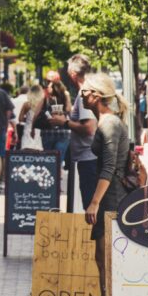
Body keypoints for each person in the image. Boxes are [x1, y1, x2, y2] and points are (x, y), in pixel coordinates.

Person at [79, 73, 133, 296]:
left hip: (113, 198)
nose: (81, 94)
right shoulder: (107, 121)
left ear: (96, 96)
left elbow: (110, 167)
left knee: (107, 260)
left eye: (85, 91)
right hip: (111, 197)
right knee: (103, 258)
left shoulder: (108, 124)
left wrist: (94, 202)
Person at [49, 54, 98, 208]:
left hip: (88, 158)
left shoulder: (85, 94)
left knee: (90, 206)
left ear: (72, 74)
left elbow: (89, 128)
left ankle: (96, 233)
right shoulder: (90, 90)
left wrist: (64, 122)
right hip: (89, 156)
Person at [17, 85, 46, 151]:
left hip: (28, 130)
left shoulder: (27, 104)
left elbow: (20, 119)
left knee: (26, 152)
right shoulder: (42, 104)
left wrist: (28, 119)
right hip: (38, 130)